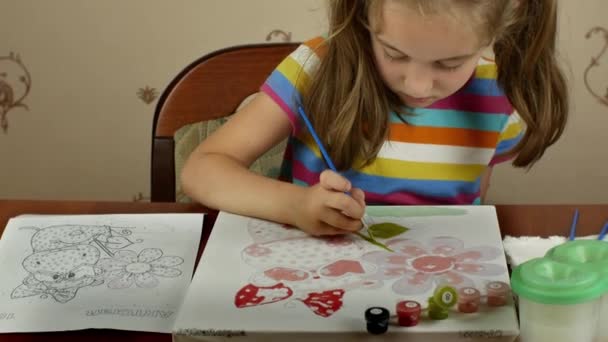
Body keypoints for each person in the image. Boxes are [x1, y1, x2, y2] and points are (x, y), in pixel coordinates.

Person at [181, 0, 568, 237]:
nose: (417, 86)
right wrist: (295, 205)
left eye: (450, 63)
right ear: (362, 10)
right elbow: (202, 170)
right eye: (394, 53)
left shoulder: (500, 94)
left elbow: (472, 199)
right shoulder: (316, 70)